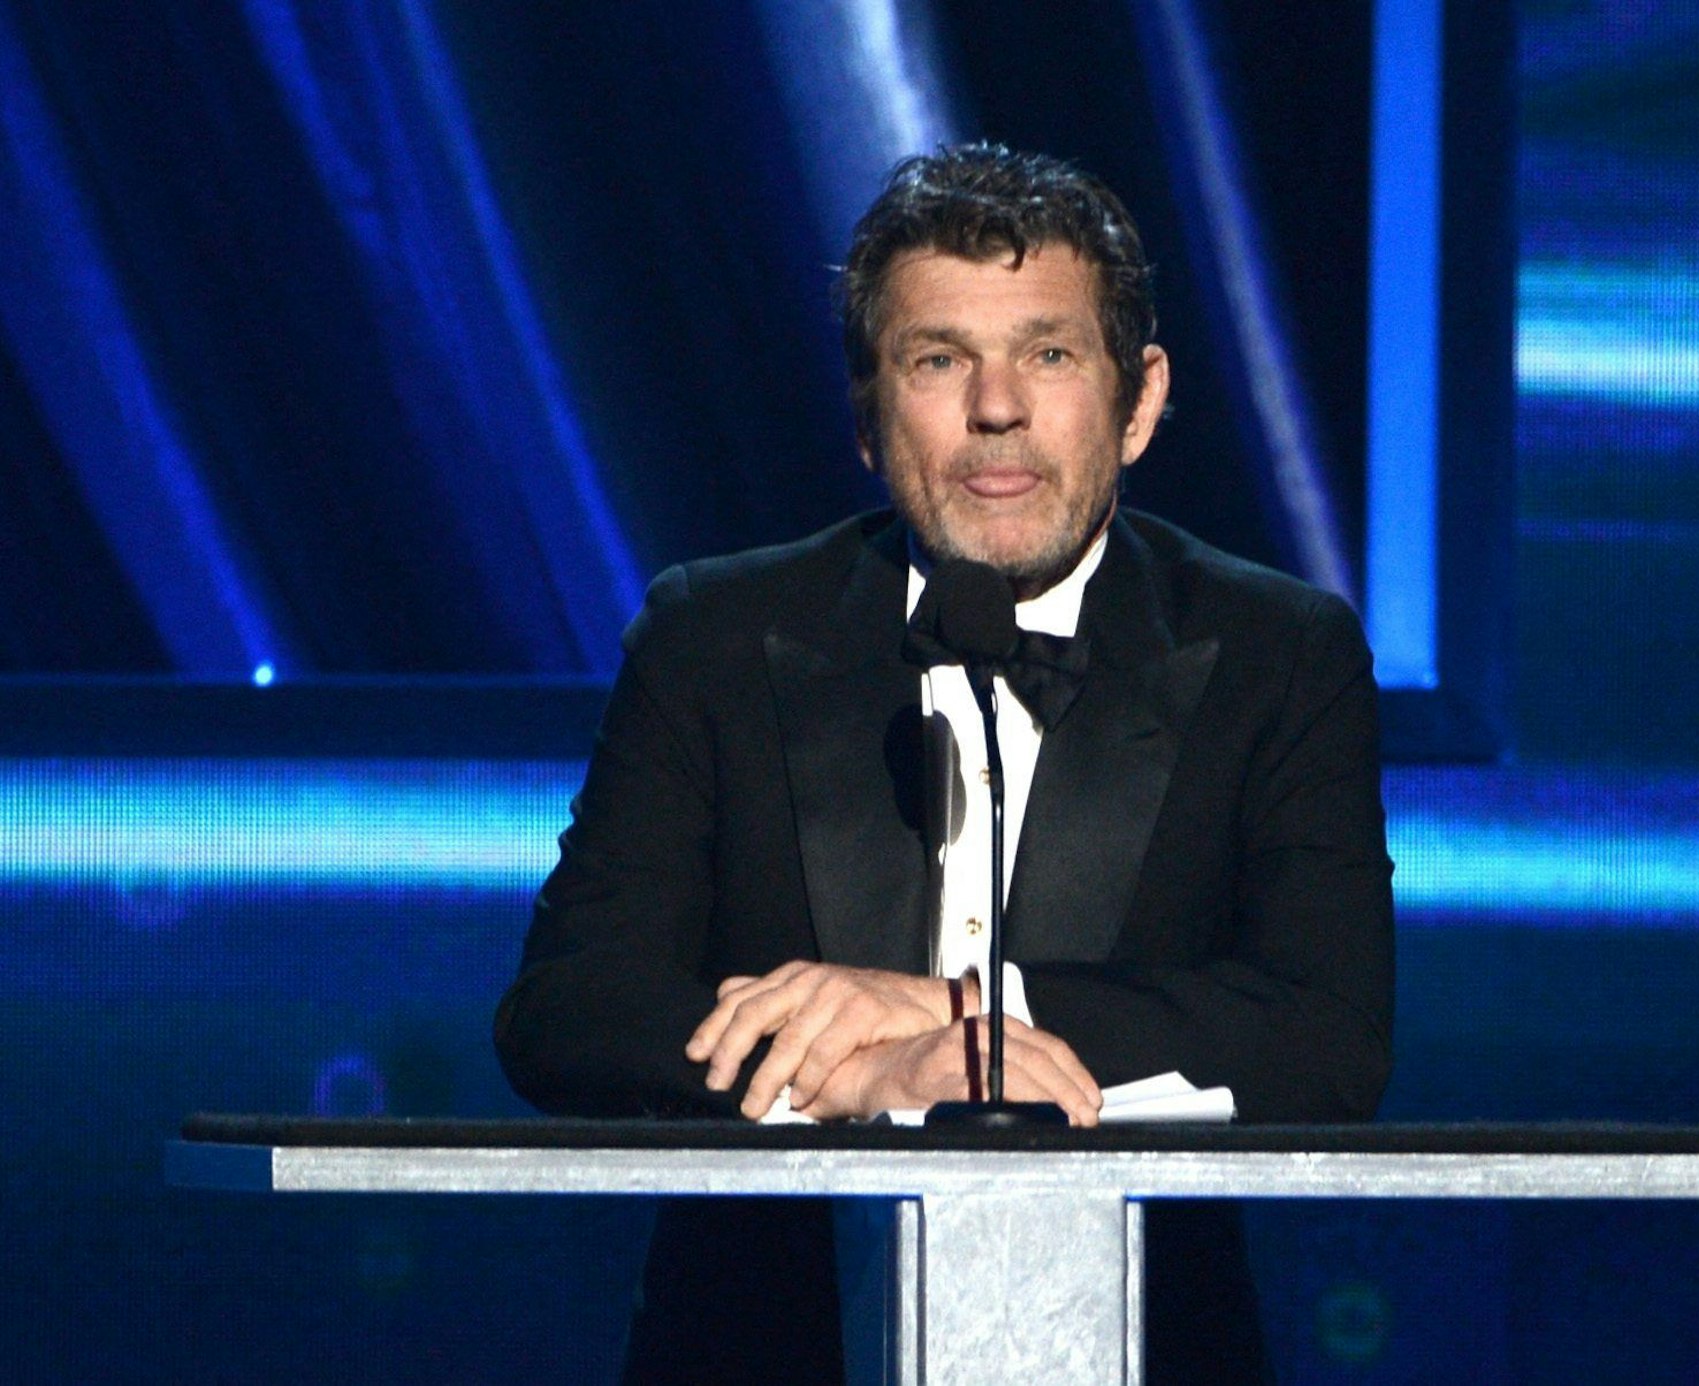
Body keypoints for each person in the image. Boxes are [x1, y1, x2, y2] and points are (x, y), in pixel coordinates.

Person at [494, 143, 1394, 1385]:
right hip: (764, 1349)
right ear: (868, 418)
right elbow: (569, 1014)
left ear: (1137, 402)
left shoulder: (1274, 653)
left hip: (1140, 1347)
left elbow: (1324, 1037)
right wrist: (863, 1079)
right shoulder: (715, 637)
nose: (996, 409)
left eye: (1049, 353)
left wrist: (960, 1013)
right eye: (936, 361)